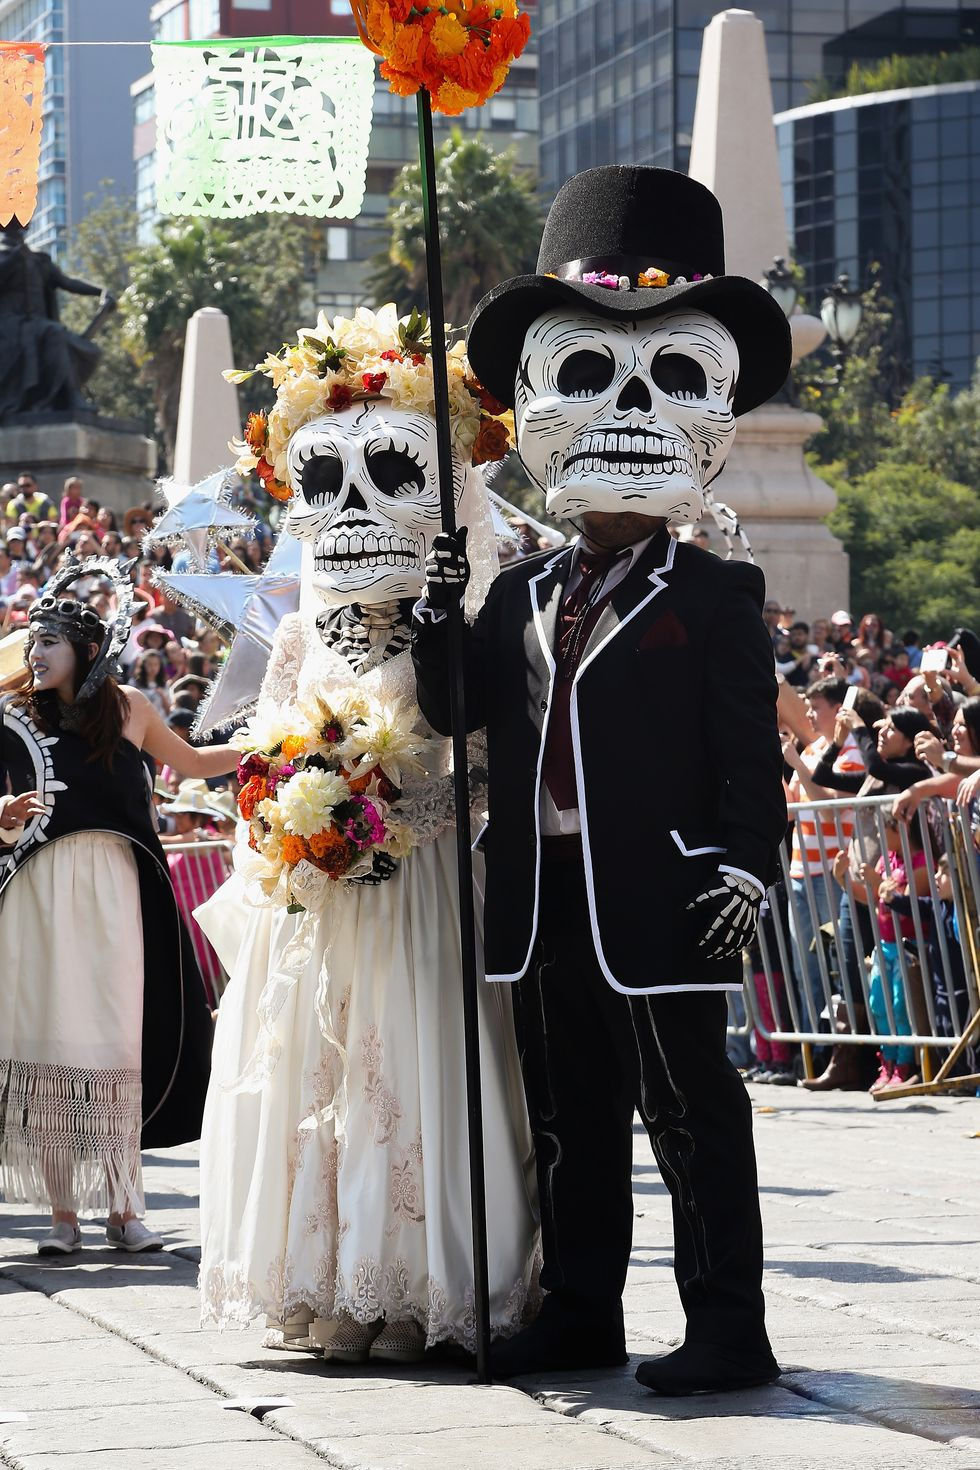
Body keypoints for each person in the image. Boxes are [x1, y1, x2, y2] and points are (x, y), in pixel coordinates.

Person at [415, 166, 792, 1394]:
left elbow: (748, 748)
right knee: (567, 1119)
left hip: (664, 892)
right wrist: (433, 611)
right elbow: (450, 712)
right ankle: (581, 1311)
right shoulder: (516, 590)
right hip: (539, 891)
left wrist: (748, 859)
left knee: (692, 1119)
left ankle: (727, 1329)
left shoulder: (714, 594)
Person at [197, 305, 538, 1363]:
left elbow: (482, 760)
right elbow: (263, 750)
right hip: (319, 899)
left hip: (424, 892)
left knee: (408, 1069)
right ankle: (330, 1286)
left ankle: (418, 1289)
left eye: (389, 475)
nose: (350, 508)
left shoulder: (470, 616)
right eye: (324, 480)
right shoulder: (299, 630)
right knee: (314, 1080)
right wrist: (292, 804)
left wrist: (390, 809)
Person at [0, 556, 238, 1254]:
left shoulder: (133, 709)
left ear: (88, 650)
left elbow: (193, 764)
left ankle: (126, 1208)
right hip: (38, 897)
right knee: (49, 1041)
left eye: (49, 641)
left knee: (115, 1039)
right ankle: (63, 1215)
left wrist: (269, 747)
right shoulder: (12, 715)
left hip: (117, 891)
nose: (35, 653)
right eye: (32, 641)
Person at [836, 814, 929, 1092]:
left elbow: (909, 902)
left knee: (901, 1006)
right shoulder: (887, 859)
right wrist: (842, 878)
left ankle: (904, 1067)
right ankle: (887, 1065)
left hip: (908, 946)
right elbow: (872, 899)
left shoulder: (921, 861)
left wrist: (878, 884)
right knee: (879, 1005)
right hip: (885, 947)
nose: (877, 836)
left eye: (882, 830)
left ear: (899, 827)